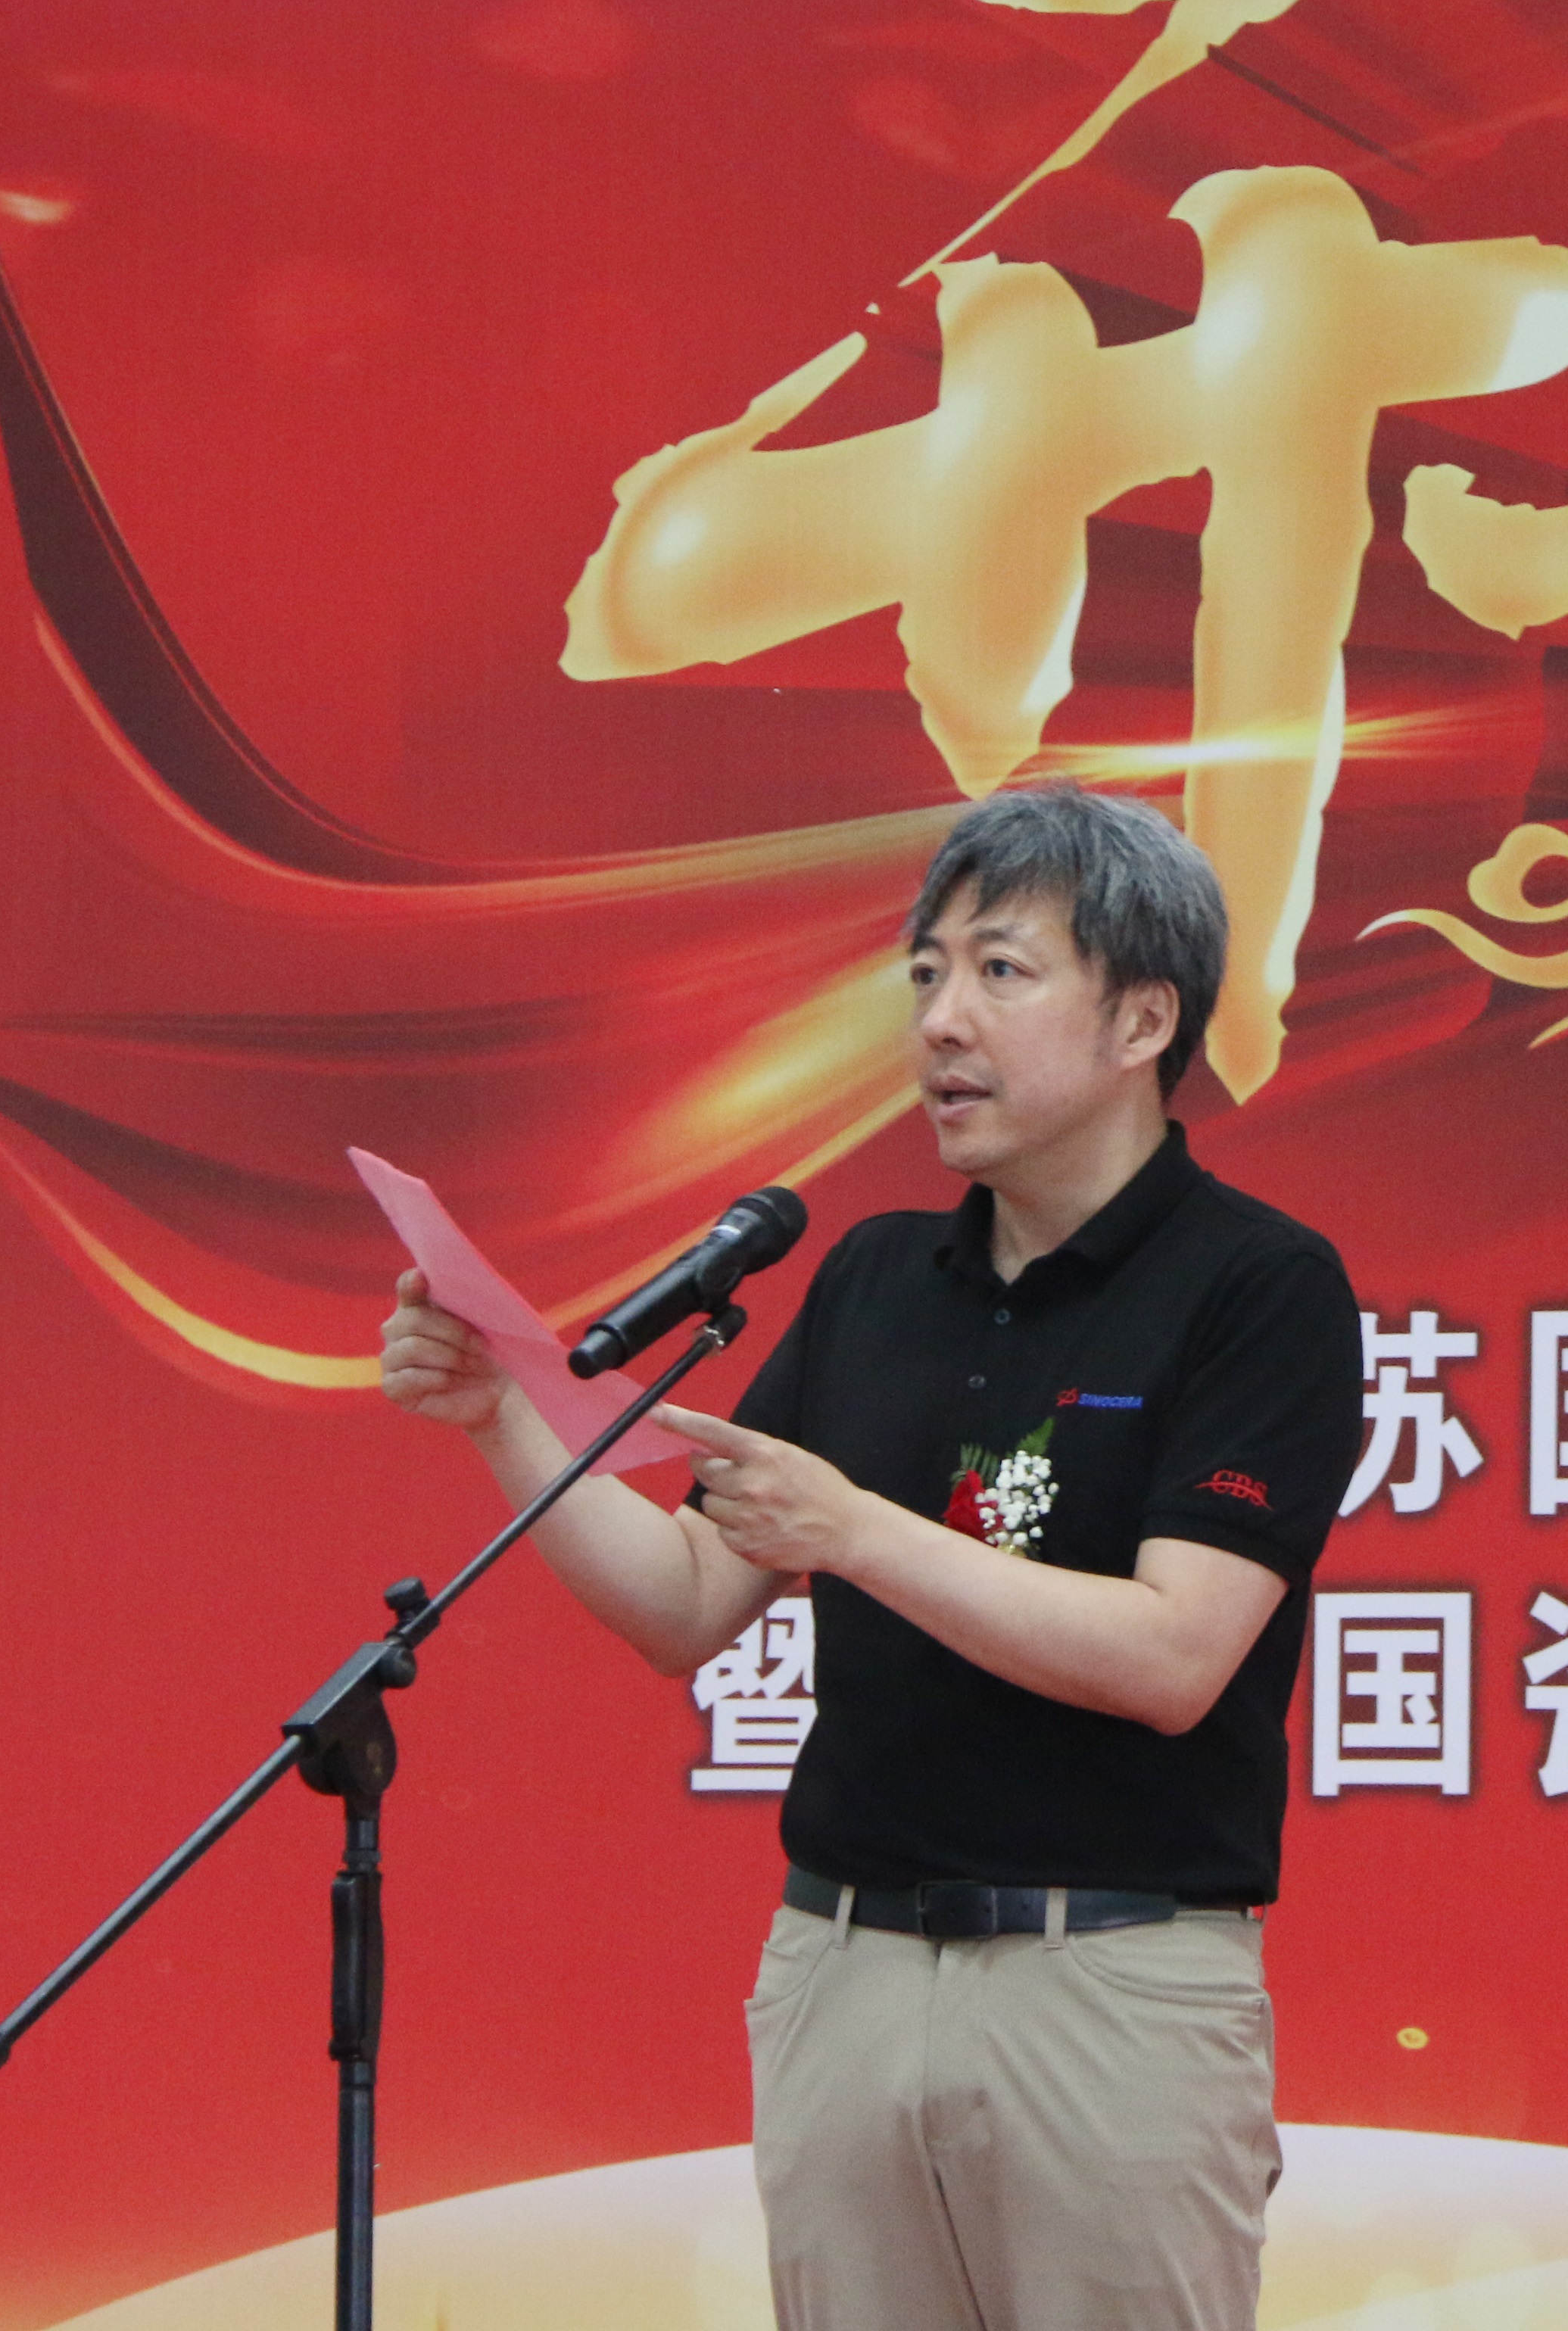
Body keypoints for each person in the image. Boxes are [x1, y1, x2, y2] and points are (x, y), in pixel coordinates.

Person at [378, 781, 1360, 2329]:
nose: (940, 1023)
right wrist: (500, 1414)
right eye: (924, 975)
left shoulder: (1258, 1285)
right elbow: (685, 1602)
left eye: (1000, 971)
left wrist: (855, 1531)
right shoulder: (875, 1276)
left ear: (1142, 1019)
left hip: (1108, 1986)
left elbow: (1175, 1656)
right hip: (844, 1967)